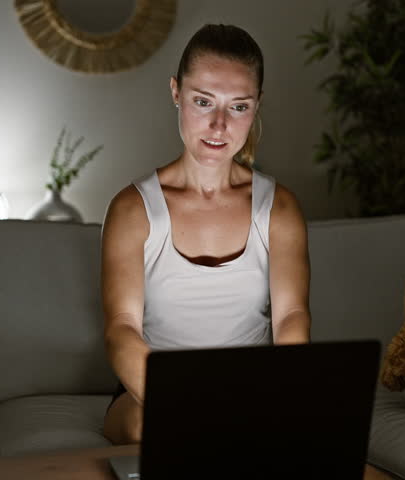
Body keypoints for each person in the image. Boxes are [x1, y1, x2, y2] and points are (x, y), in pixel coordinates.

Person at [100, 24, 311, 445]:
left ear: (257, 105)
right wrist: (184, 405)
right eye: (203, 101)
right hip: (153, 399)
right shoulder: (132, 209)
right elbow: (121, 328)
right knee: (150, 429)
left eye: (238, 107)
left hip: (251, 393)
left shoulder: (280, 208)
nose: (219, 125)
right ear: (176, 92)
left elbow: (292, 318)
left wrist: (280, 397)